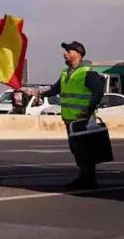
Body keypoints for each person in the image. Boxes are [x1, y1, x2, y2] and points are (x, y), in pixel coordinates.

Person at [22, 41, 105, 188]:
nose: (64, 54)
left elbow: (98, 91)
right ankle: (84, 177)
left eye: (68, 51)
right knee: (77, 150)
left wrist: (89, 108)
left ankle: (89, 179)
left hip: (82, 118)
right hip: (70, 118)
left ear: (77, 54)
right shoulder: (65, 73)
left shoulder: (87, 72)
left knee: (85, 150)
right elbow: (55, 89)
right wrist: (38, 93)